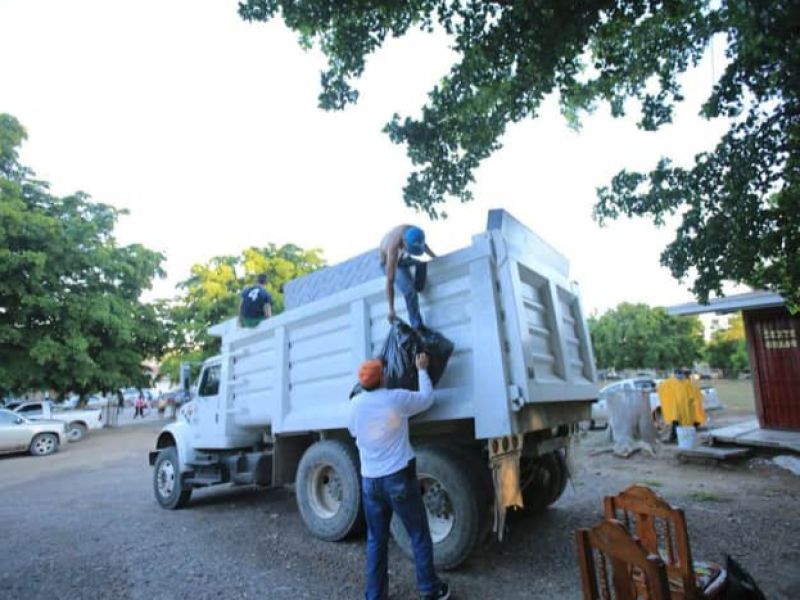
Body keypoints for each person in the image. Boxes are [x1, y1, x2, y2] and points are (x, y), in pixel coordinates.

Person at [348, 353, 450, 600]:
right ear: (382, 377)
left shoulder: (354, 405)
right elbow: (427, 399)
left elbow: (354, 432)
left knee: (376, 540)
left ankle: (375, 596)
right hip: (398, 480)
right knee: (417, 534)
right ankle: (429, 589)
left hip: (370, 483)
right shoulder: (395, 399)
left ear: (362, 384)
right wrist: (422, 369)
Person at [379, 225, 435, 330]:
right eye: (410, 249)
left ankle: (418, 287)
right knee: (409, 291)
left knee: (422, 260)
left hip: (401, 258)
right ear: (404, 241)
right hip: (388, 263)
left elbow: (425, 248)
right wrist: (391, 309)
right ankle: (418, 327)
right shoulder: (393, 247)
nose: (412, 252)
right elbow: (389, 282)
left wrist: (435, 258)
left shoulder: (415, 233)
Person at [657, 368, 706, 442]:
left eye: (681, 373)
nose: (680, 375)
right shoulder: (671, 382)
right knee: (675, 421)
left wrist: (694, 399)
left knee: (687, 422)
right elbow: (662, 387)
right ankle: (673, 438)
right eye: (678, 373)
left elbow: (695, 392)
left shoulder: (687, 382)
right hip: (676, 406)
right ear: (675, 374)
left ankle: (683, 437)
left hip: (687, 406)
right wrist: (658, 387)